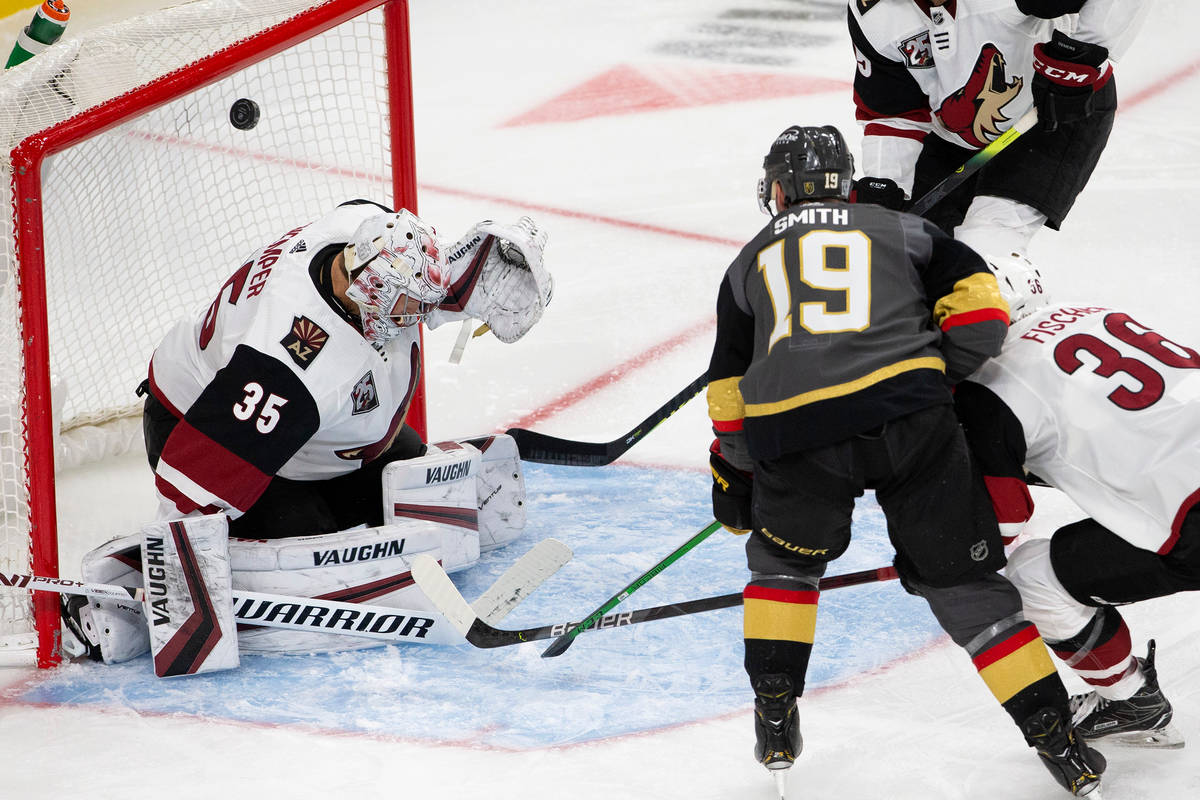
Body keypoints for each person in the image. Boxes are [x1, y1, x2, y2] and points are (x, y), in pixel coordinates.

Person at [706, 124, 1105, 796]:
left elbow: (727, 397)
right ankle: (1058, 741)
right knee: (970, 592)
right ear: (845, 184)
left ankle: (775, 716)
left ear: (777, 189)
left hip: (797, 436)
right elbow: (981, 317)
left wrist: (736, 472)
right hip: (913, 423)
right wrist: (928, 379)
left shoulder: (748, 261)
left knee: (783, 566)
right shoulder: (901, 229)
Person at [62, 199, 553, 661]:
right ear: (373, 299)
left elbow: (411, 266)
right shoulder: (292, 369)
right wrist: (169, 574)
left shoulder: (359, 230)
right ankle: (113, 601)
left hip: (299, 431)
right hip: (198, 427)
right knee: (313, 536)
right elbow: (194, 477)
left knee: (406, 466)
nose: (421, 317)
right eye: (411, 307)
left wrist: (476, 270)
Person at [954, 253, 1199, 750]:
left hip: (1192, 516)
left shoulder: (993, 381)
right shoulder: (1092, 313)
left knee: (1032, 577)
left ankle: (1132, 700)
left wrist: (944, 556)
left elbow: (1004, 522)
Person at [848, 0, 1149, 258]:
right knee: (911, 255)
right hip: (949, 138)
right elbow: (894, 112)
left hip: (1050, 117)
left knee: (984, 250)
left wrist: (1082, 53)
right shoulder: (875, 13)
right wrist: (884, 182)